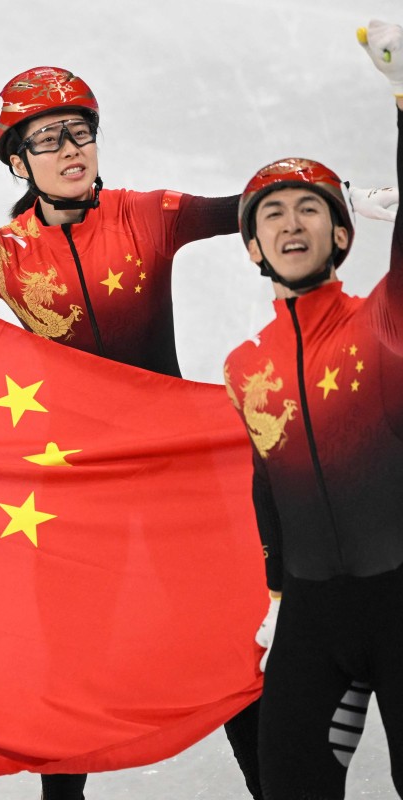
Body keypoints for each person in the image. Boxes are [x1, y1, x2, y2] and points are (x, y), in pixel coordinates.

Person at [0, 65, 391, 800]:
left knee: (234, 642)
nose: (71, 149)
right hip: (77, 489)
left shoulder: (150, 214)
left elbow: (253, 206)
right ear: (17, 161)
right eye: (47, 139)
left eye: (80, 131)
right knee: (73, 665)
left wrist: (341, 196)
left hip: (179, 476)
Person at [222, 19, 403, 797]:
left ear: (342, 235)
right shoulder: (245, 365)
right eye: (272, 214)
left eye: (308, 210)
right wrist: (272, 593)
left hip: (400, 593)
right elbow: (268, 482)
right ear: (255, 248)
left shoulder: (384, 321)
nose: (290, 223)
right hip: (311, 612)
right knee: (287, 783)